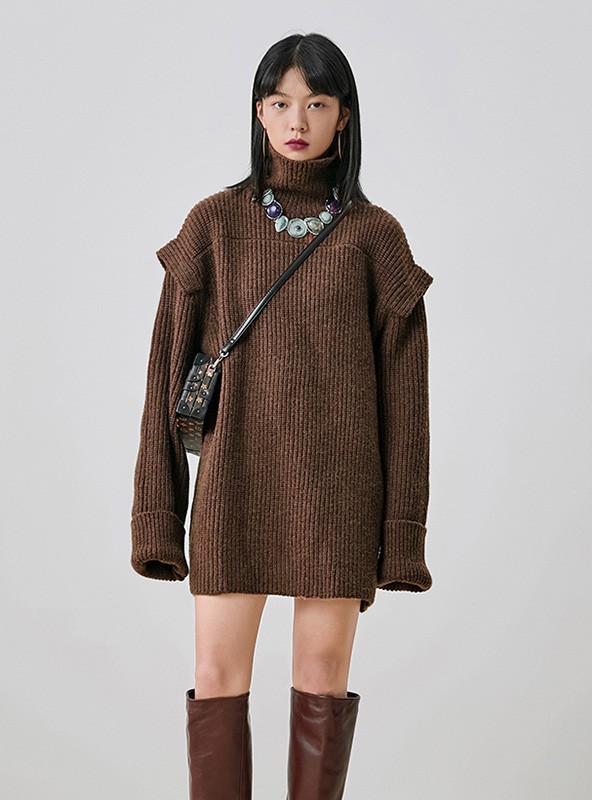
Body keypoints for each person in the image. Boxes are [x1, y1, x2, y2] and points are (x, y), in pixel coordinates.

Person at [130, 31, 434, 800]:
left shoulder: (376, 239)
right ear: (259, 112)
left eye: (317, 102)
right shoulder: (212, 227)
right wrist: (158, 519)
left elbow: (407, 407)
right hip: (234, 488)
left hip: (337, 497)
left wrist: (402, 535)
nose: (298, 120)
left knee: (321, 678)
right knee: (215, 676)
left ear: (344, 115)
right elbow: (163, 380)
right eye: (280, 102)